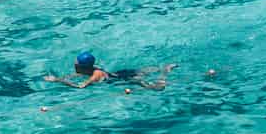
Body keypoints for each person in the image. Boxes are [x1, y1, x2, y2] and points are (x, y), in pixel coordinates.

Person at [45, 51, 173, 91]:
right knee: (143, 71)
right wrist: (61, 78)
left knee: (158, 88)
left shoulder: (96, 75)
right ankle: (162, 68)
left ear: (81, 66)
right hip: (119, 73)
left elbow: (80, 86)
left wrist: (57, 81)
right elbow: (73, 76)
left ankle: (165, 72)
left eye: (76, 63)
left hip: (123, 80)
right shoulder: (88, 69)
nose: (74, 63)